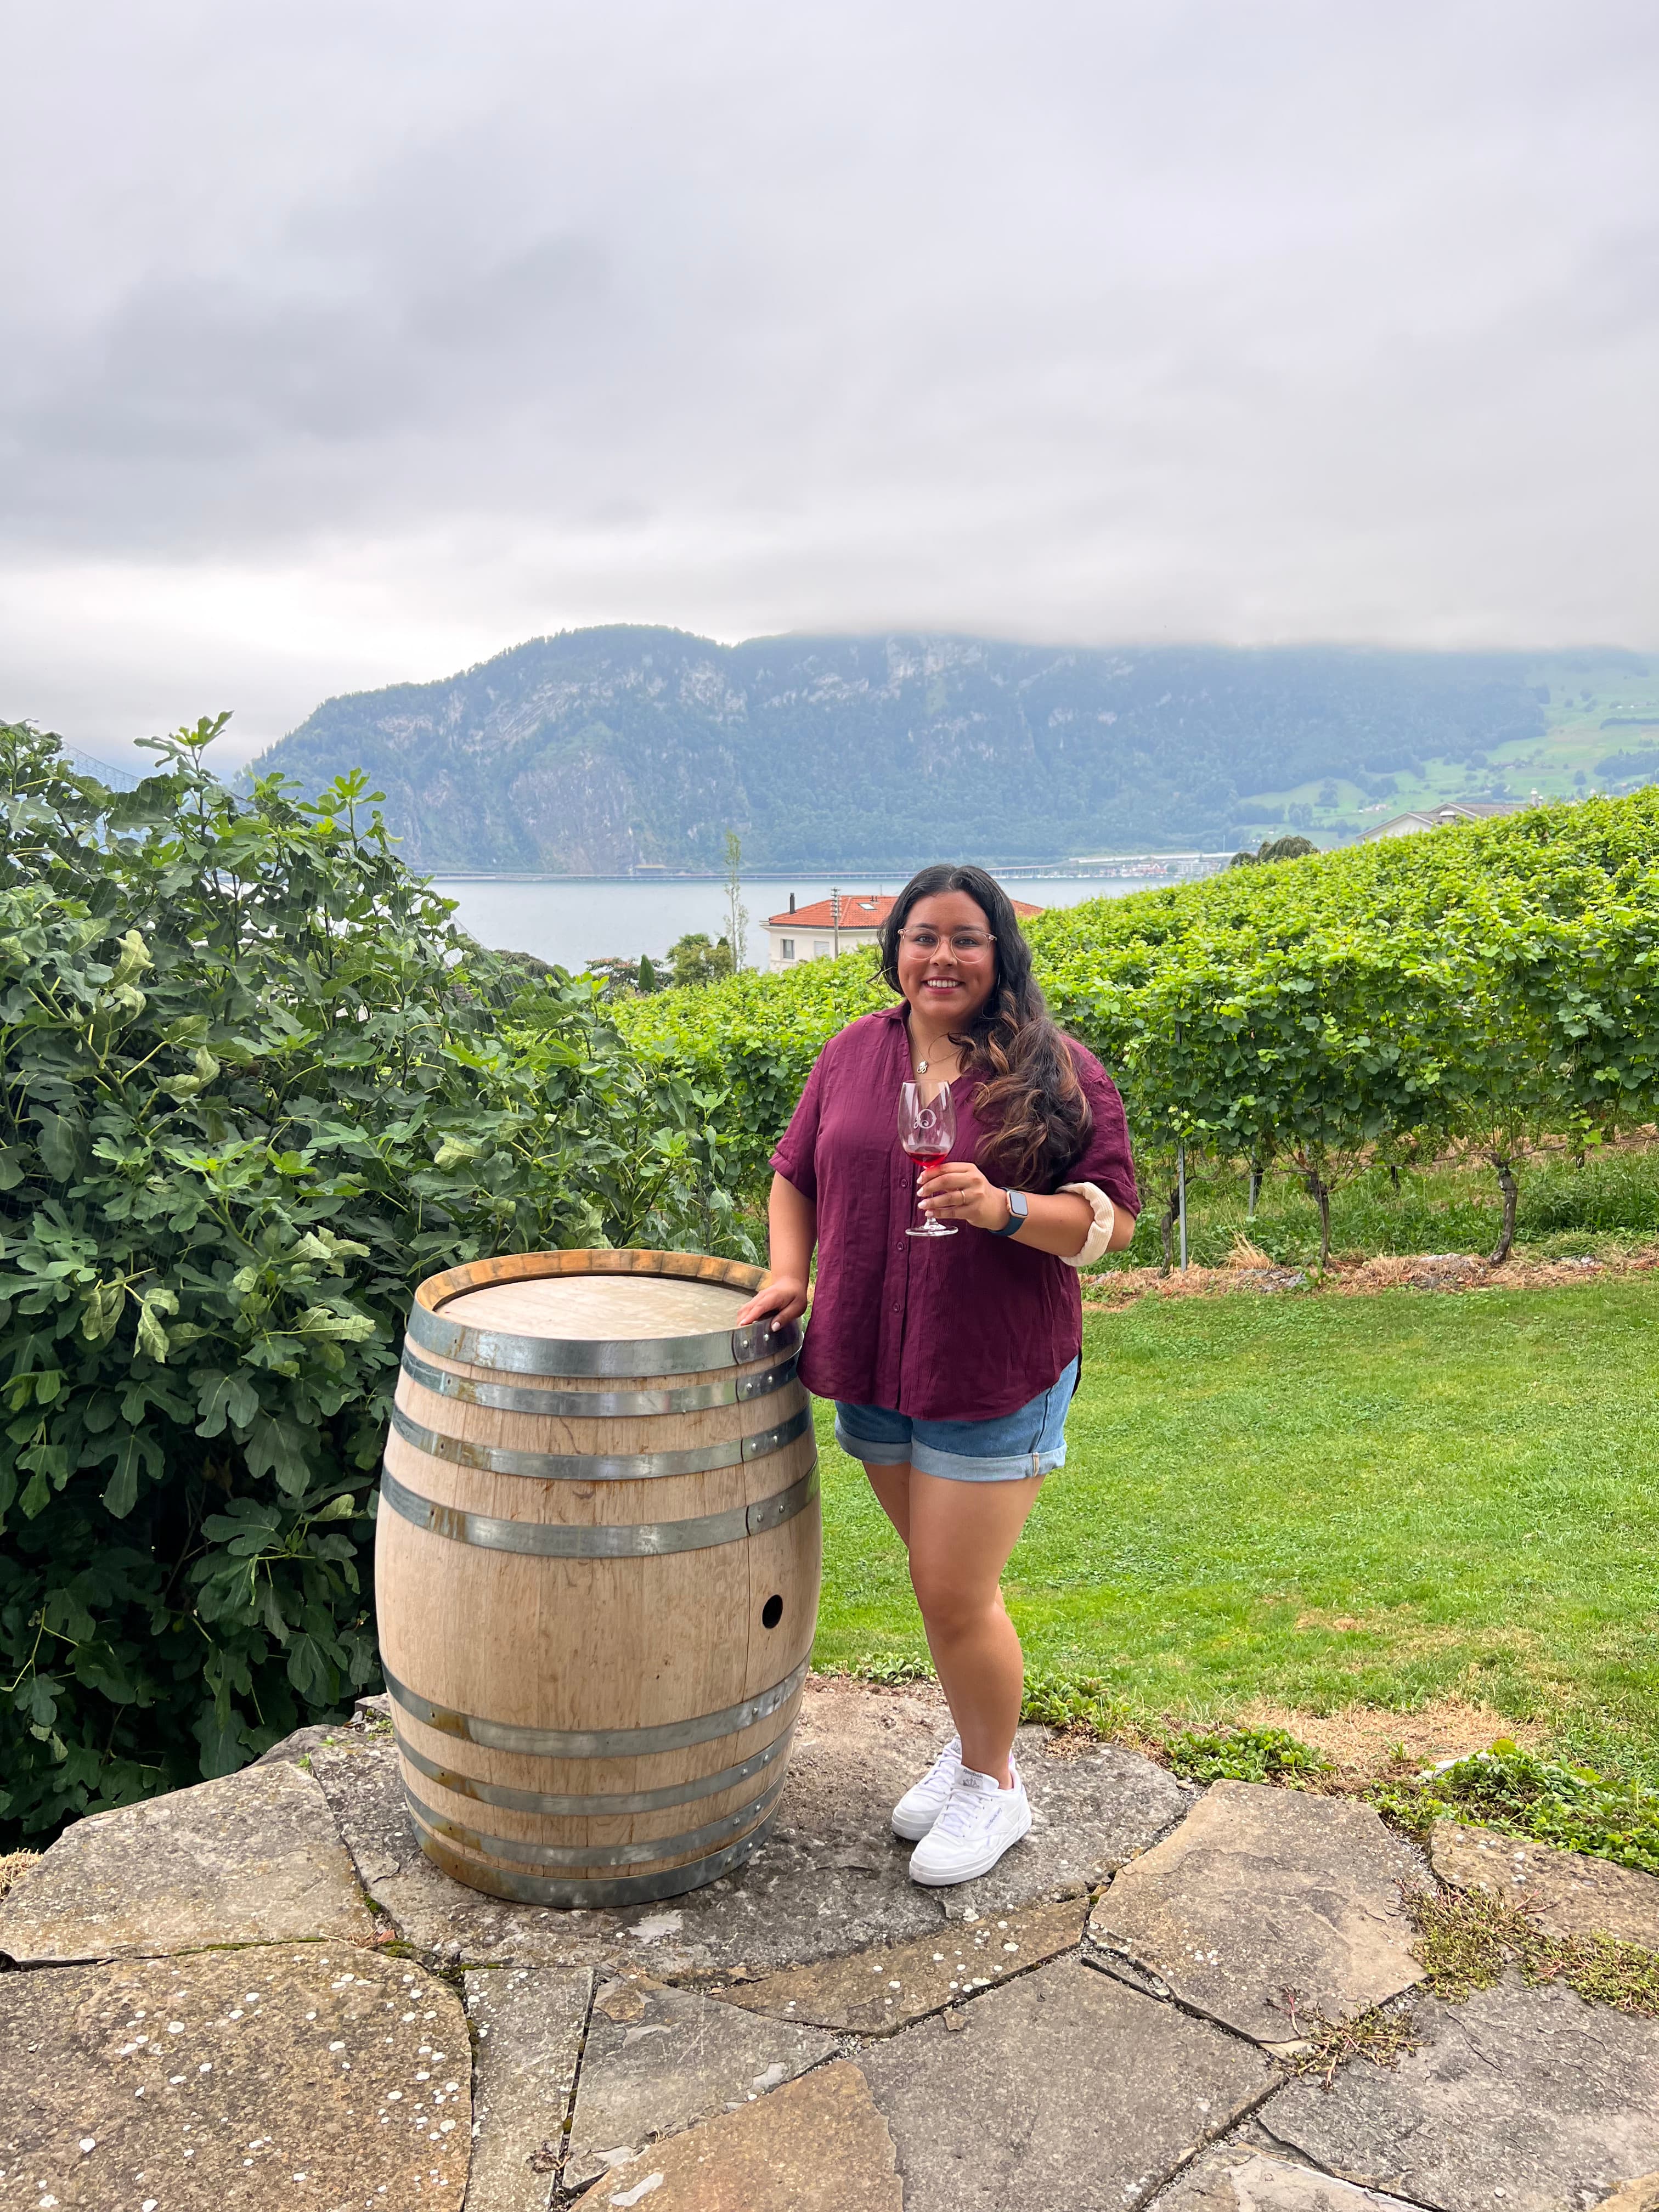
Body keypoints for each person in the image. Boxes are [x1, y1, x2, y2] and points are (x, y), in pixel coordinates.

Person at [734, 864, 1139, 1884]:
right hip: (874, 1352)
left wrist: (1002, 1207)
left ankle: (996, 1785)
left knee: (954, 1592)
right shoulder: (852, 1054)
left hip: (991, 1363)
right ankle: (973, 1751)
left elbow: (1110, 1226)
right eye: (922, 937)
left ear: (1000, 951)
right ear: (895, 951)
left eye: (965, 937)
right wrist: (791, 1270)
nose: (941, 956)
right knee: (945, 1586)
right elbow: (795, 1173)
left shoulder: (1058, 1070)